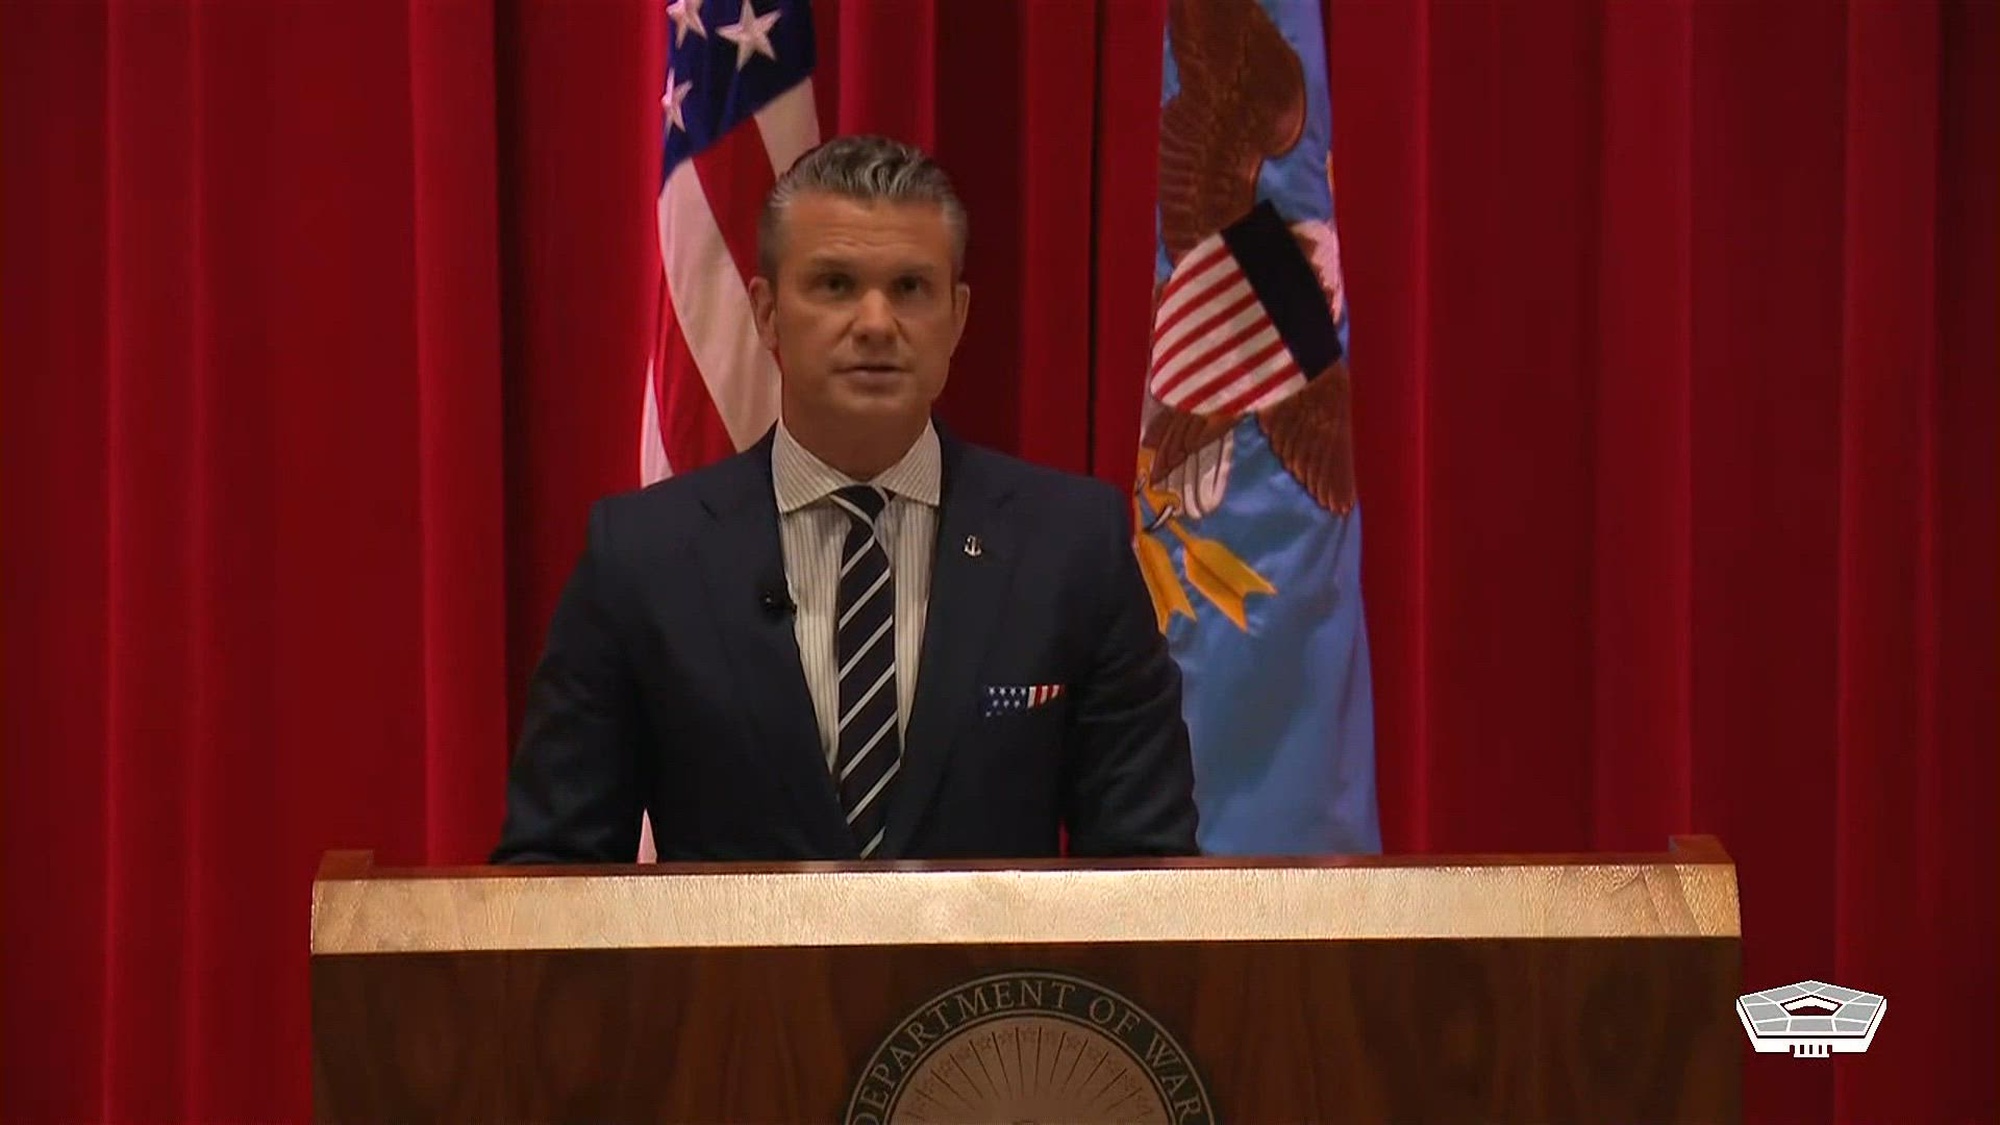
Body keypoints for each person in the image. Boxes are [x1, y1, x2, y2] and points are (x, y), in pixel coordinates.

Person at [491, 135, 1198, 864]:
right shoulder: (642, 557)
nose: (874, 323)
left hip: (996, 983)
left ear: (956, 318)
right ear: (766, 314)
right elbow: (550, 877)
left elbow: (1149, 870)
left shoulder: (1071, 546)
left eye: (910, 288)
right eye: (833, 284)